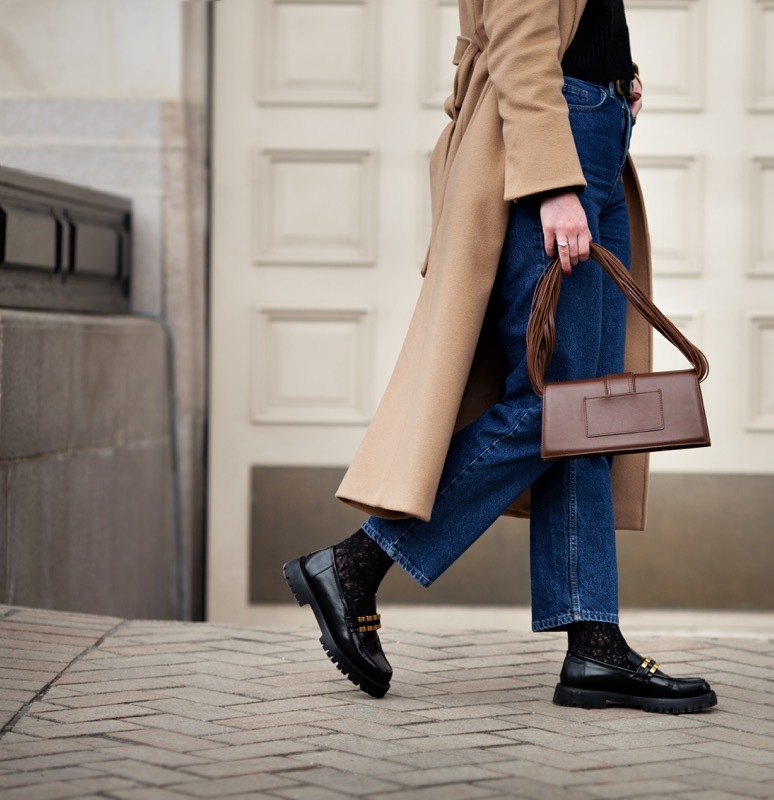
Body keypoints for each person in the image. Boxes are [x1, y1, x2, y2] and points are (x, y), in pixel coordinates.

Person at [283, 0, 716, 714]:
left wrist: (619, 71)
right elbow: (517, 29)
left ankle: (595, 648)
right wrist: (551, 183)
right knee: (557, 406)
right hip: (556, 140)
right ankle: (356, 563)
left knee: (588, 414)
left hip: (596, 129)